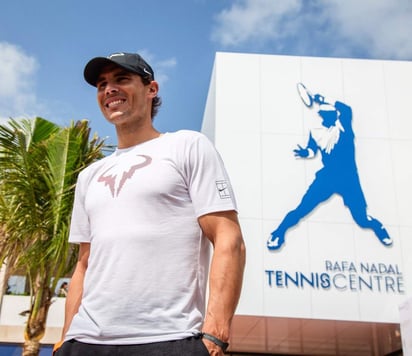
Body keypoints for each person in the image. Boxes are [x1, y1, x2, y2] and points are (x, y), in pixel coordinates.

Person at [53, 52, 246, 356]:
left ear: (151, 89)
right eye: (102, 84)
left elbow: (228, 238)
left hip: (170, 337)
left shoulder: (187, 146)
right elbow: (84, 263)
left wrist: (216, 332)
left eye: (121, 79)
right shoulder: (90, 175)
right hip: (86, 342)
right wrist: (65, 339)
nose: (109, 90)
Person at [267, 88, 392, 250]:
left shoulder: (343, 128)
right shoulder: (316, 133)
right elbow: (312, 150)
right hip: (327, 177)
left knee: (362, 219)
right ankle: (278, 234)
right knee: (302, 209)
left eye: (329, 114)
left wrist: (320, 98)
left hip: (348, 178)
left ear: (334, 115)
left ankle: (378, 228)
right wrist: (305, 152)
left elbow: (346, 109)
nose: (325, 117)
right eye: (323, 115)